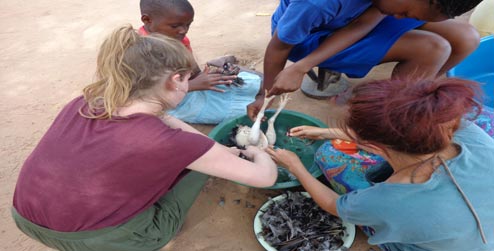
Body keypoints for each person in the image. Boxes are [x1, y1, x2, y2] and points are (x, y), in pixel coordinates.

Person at [12, 25, 277, 251]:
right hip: (92, 238)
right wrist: (258, 153)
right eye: (187, 79)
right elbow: (266, 177)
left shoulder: (85, 102)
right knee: (198, 171)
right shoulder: (170, 144)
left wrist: (214, 148)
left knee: (197, 156)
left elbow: (163, 117)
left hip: (24, 216)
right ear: (175, 80)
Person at [267, 77, 494, 250]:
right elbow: (395, 137)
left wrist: (295, 165)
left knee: (329, 157)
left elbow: (333, 205)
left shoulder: (386, 201)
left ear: (373, 146)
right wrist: (325, 132)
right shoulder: (457, 127)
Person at [247, 0, 484, 120]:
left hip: (355, 19)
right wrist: (267, 94)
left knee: (467, 37)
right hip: (309, 37)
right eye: (406, 14)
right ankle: (387, 116)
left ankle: (399, 99)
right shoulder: (316, 4)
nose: (402, 18)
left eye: (406, 15)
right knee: (433, 48)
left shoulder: (389, 4)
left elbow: (367, 20)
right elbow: (280, 47)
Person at [140, 0, 261, 124]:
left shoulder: (178, 38)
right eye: (175, 26)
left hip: (191, 86)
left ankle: (219, 65)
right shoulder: (141, 53)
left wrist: (214, 74)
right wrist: (192, 85)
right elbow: (150, 95)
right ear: (147, 20)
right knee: (243, 112)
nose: (183, 30)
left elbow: (194, 72)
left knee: (254, 84)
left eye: (188, 25)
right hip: (173, 102)